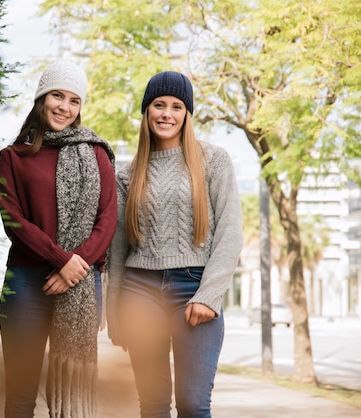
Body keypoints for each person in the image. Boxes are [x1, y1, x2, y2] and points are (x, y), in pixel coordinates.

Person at [106, 71, 243, 418]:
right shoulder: (128, 173)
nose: (167, 113)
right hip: (140, 290)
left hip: (194, 288)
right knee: (152, 406)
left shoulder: (214, 160)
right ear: (147, 111)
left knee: (193, 406)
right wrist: (115, 311)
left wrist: (209, 295)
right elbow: (119, 248)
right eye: (159, 105)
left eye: (176, 106)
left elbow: (230, 232)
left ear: (187, 114)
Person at [0, 60, 117, 418]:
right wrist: (61, 260)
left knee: (74, 396)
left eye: (74, 100)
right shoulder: (12, 158)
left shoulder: (95, 153)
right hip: (26, 283)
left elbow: (107, 219)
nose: (65, 107)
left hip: (81, 281)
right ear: (41, 98)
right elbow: (12, 220)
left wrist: (75, 267)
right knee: (20, 397)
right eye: (57, 96)